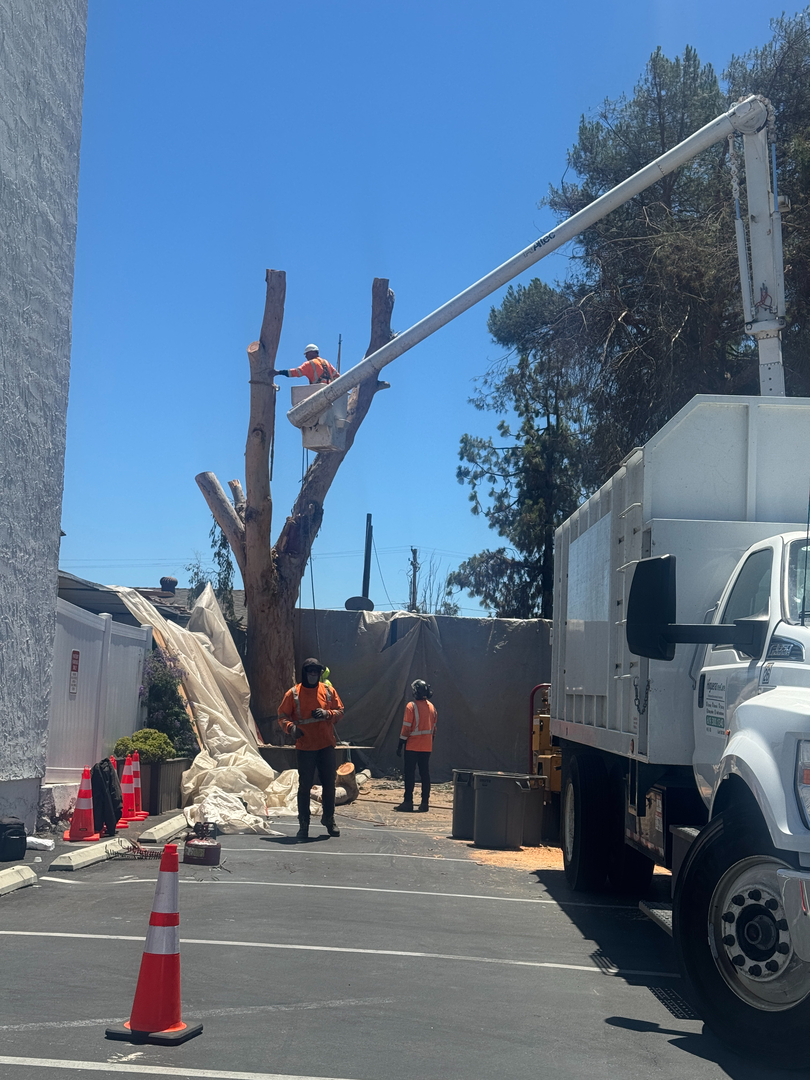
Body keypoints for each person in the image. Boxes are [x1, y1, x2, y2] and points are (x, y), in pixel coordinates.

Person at [277, 657, 344, 840]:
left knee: (329, 784)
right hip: (305, 746)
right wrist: (291, 728)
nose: (313, 675)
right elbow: (282, 716)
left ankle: (329, 820)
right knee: (305, 786)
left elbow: (340, 712)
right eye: (310, 672)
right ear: (304, 673)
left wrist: (327, 714)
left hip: (326, 745)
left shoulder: (328, 691)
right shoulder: (294, 694)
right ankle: (304, 824)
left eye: (316, 672)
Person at [395, 680, 437, 813]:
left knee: (410, 774)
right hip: (426, 747)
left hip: (412, 746)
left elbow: (406, 728)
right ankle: (425, 803)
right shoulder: (432, 707)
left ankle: (408, 802)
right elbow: (434, 730)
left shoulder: (411, 706)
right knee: (425, 774)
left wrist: (400, 744)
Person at [273, 344, 338, 385]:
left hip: (317, 390)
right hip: (330, 390)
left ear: (312, 352)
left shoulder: (310, 363)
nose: (306, 357)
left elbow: (296, 372)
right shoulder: (326, 362)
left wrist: (279, 372)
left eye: (306, 354)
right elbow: (337, 376)